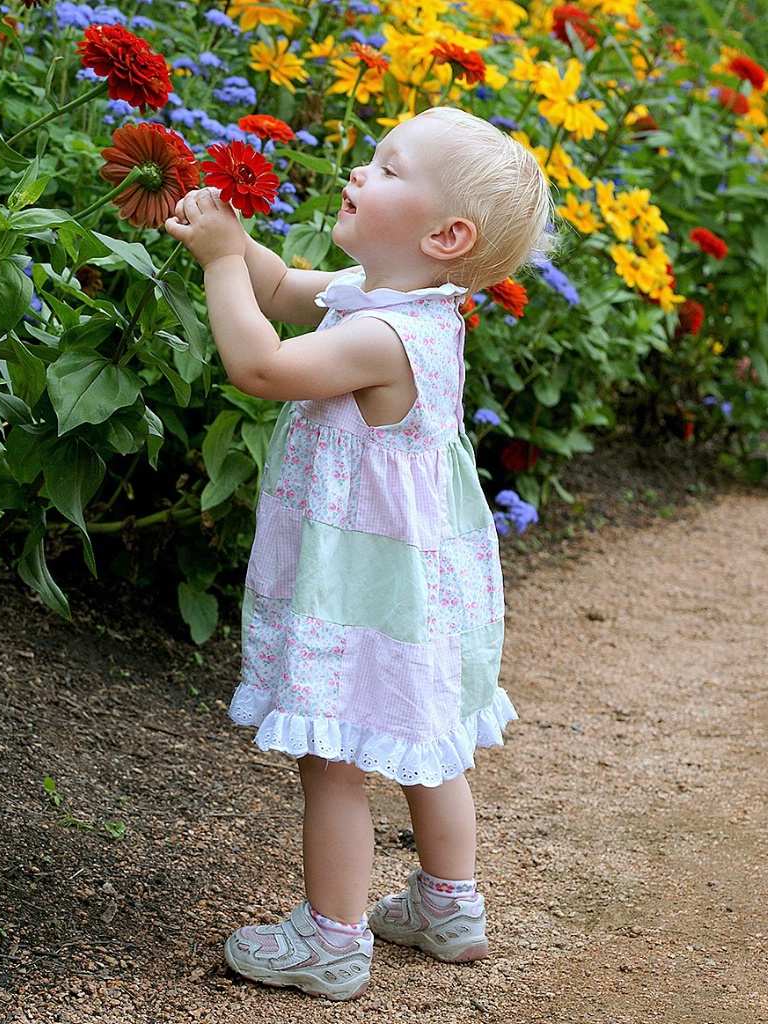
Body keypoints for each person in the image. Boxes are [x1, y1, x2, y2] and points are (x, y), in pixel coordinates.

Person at [166, 106, 553, 1002]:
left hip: (360, 584)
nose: (357, 172)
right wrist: (232, 246)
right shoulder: (398, 300)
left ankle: (331, 941)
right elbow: (278, 289)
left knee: (333, 755)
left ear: (445, 234)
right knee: (430, 733)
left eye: (387, 168)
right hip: (413, 579)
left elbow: (261, 366)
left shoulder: (382, 339)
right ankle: (449, 907)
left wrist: (223, 264)